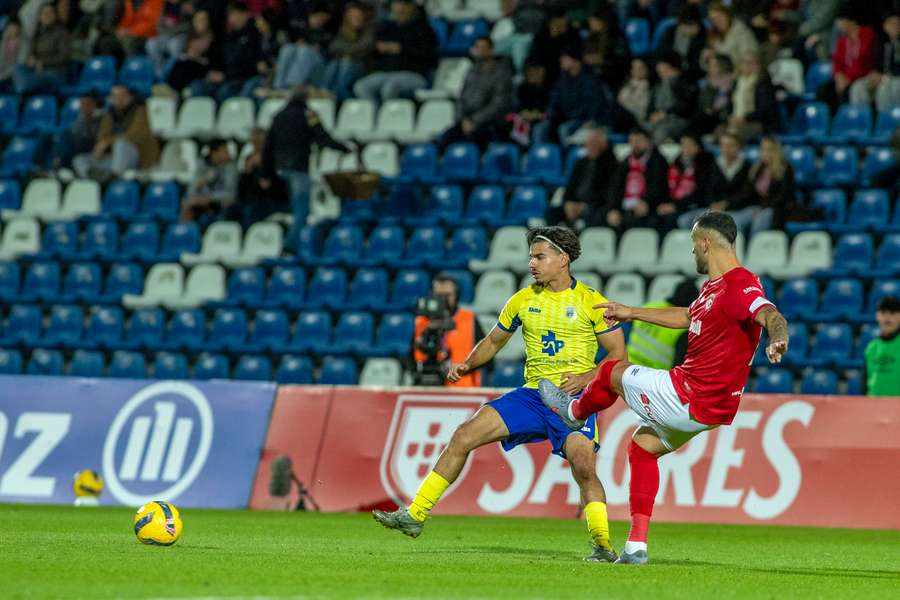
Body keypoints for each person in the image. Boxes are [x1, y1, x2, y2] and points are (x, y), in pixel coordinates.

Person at [539, 211, 789, 565]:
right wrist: (631, 312)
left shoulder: (741, 284)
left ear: (705, 243)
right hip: (708, 409)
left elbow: (770, 315)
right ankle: (636, 547)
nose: (692, 254)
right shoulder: (714, 291)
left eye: (693, 246)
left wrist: (778, 339)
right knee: (642, 449)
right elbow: (688, 317)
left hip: (688, 393)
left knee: (611, 369)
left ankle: (573, 412)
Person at [373, 226, 627, 563]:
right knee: (464, 435)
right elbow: (493, 341)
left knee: (583, 467)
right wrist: (465, 364)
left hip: (572, 402)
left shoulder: (592, 302)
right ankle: (415, 515)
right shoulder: (522, 299)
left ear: (563, 260)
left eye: (540, 256)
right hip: (532, 395)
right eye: (531, 256)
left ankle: (603, 545)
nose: (532, 263)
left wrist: (585, 377)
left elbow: (617, 356)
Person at [260, 87, 351, 253]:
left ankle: (275, 242)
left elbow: (268, 146)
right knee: (302, 210)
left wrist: (265, 173)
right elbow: (323, 138)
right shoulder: (309, 114)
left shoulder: (279, 116)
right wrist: (344, 148)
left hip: (279, 168)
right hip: (298, 167)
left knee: (290, 209)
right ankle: (290, 246)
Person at [352, 0, 437, 104]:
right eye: (397, 4)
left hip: (414, 73)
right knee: (361, 86)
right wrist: (378, 49)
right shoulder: (386, 28)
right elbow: (372, 54)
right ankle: (376, 115)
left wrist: (402, 49)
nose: (400, 8)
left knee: (390, 87)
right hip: (387, 73)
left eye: (404, 4)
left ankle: (393, 118)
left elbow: (429, 56)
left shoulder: (423, 29)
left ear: (412, 7)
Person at [438, 37, 512, 151]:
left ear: (491, 50)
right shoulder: (471, 71)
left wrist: (475, 121)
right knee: (443, 141)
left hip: (489, 123)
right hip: (465, 121)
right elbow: (461, 98)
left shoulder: (501, 73)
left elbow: (498, 104)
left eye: (483, 48)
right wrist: (462, 120)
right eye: (478, 47)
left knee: (472, 142)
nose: (480, 51)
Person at [412, 274, 485, 388]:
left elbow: (485, 356)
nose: (443, 300)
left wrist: (462, 369)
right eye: (439, 296)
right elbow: (410, 355)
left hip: (463, 389)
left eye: (447, 295)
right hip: (427, 386)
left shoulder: (469, 319)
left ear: (456, 295)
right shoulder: (421, 321)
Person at [73, 85, 159, 180]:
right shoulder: (110, 113)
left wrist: (107, 142)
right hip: (114, 158)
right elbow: (102, 136)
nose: (117, 99)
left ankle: (114, 178)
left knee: (121, 144)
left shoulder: (140, 111)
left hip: (138, 157)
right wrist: (101, 145)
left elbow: (133, 135)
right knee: (79, 159)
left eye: (121, 96)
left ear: (130, 97)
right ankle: (95, 176)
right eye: (114, 96)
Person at [190, 1, 264, 102]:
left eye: (234, 14)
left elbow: (252, 65)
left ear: (244, 14)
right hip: (225, 77)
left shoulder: (254, 36)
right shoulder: (228, 37)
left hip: (241, 79)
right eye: (229, 14)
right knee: (197, 86)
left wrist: (225, 76)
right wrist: (213, 72)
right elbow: (220, 60)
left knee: (224, 91)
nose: (231, 18)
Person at [545, 128, 616, 231]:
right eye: (588, 144)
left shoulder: (611, 165)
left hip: (595, 206)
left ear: (603, 145)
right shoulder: (580, 162)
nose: (589, 147)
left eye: (594, 143)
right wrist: (568, 203)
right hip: (575, 204)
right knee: (551, 212)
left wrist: (583, 206)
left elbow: (608, 192)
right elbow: (570, 186)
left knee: (593, 215)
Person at [533, 45, 606, 144]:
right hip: (564, 117)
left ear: (575, 61)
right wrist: (548, 114)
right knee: (540, 128)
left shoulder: (589, 79)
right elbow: (555, 99)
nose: (561, 60)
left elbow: (594, 104)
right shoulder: (562, 78)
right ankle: (541, 157)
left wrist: (590, 120)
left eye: (565, 58)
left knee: (564, 129)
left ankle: (567, 158)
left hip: (582, 120)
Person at [677, 131, 750, 229]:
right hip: (713, 208)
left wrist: (726, 204)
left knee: (735, 223)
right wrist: (713, 203)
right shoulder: (714, 166)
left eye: (730, 145)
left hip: (737, 209)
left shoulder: (747, 167)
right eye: (723, 145)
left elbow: (745, 193)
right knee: (685, 220)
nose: (725, 149)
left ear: (739, 147)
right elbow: (707, 189)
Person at [603, 127, 668, 234]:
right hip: (624, 205)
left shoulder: (658, 161)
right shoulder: (625, 163)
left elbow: (659, 186)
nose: (635, 145)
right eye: (632, 141)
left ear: (648, 142)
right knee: (604, 217)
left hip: (647, 205)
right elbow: (615, 188)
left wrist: (647, 201)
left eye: (639, 141)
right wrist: (613, 208)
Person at [731, 136, 795, 238]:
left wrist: (763, 208)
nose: (765, 152)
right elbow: (746, 193)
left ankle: (754, 250)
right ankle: (738, 249)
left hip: (775, 209)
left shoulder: (785, 169)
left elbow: (783, 196)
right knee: (737, 219)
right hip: (757, 207)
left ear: (776, 151)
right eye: (763, 149)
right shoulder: (757, 168)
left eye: (769, 149)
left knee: (761, 218)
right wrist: (728, 204)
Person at [627, 279, 699, 369]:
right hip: (653, 377)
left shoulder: (648, 306)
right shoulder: (683, 330)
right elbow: (679, 367)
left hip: (628, 367)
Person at [817, 9, 877, 111]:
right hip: (846, 78)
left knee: (847, 90)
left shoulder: (868, 35)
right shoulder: (842, 41)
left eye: (841, 22)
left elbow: (865, 61)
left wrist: (848, 78)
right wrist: (838, 75)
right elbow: (837, 62)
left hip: (863, 76)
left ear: (851, 22)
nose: (839, 26)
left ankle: (851, 119)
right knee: (824, 90)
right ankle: (831, 123)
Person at [656, 133, 713, 232]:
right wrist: (664, 204)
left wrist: (675, 206)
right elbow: (665, 187)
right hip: (673, 203)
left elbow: (700, 193)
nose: (685, 148)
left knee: (671, 220)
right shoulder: (676, 164)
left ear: (698, 147)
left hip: (692, 205)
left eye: (689, 144)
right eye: (683, 144)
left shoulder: (705, 166)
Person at [718, 50, 779, 142]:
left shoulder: (763, 83)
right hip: (736, 120)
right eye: (744, 62)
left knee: (735, 137)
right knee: (719, 131)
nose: (747, 65)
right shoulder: (737, 83)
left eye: (750, 63)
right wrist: (729, 117)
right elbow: (729, 105)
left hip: (756, 122)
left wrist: (745, 118)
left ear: (758, 65)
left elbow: (765, 109)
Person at [13, 2, 69, 95]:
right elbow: (33, 55)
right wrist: (32, 61)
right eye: (44, 13)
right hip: (38, 71)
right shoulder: (37, 33)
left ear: (55, 15)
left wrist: (43, 63)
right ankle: (25, 89)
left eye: (50, 13)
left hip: (55, 72)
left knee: (30, 80)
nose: (47, 16)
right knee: (18, 68)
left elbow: (64, 57)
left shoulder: (62, 33)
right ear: (39, 17)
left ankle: (24, 92)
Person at [322, 2, 374, 101]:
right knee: (334, 64)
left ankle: (342, 98)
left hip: (363, 66)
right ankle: (328, 93)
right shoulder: (343, 30)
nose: (356, 19)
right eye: (353, 16)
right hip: (342, 65)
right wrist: (349, 52)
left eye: (358, 16)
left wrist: (346, 53)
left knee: (346, 63)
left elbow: (364, 46)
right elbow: (333, 47)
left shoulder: (368, 30)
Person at [850, 12, 900, 111]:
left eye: (898, 23)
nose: (895, 26)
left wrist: (884, 77)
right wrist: (875, 74)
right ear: (885, 26)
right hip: (884, 78)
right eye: (891, 23)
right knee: (858, 87)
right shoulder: (883, 43)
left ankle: (885, 122)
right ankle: (862, 122)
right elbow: (877, 64)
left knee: (883, 89)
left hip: (895, 79)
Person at [180, 138, 238, 223]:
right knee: (187, 203)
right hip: (202, 202)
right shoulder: (202, 165)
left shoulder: (230, 167)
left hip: (220, 203)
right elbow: (191, 189)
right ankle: (184, 231)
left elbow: (230, 194)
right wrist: (200, 185)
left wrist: (209, 198)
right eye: (225, 151)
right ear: (214, 153)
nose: (228, 154)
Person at [644, 51, 695, 145]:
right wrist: (652, 115)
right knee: (642, 130)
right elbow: (650, 107)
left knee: (661, 131)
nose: (661, 74)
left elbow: (685, 106)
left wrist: (666, 113)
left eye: (664, 70)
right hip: (659, 121)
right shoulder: (658, 86)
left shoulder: (683, 83)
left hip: (677, 120)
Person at [53, 91, 103, 169]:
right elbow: (75, 130)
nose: (83, 107)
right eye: (82, 104)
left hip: (93, 144)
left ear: (94, 105)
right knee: (51, 137)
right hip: (80, 143)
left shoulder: (100, 117)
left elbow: (96, 135)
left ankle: (59, 166)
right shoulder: (81, 117)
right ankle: (51, 164)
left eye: (86, 104)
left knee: (67, 137)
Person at [655, 5, 705, 82]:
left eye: (696, 25)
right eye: (690, 26)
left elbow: (698, 68)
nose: (695, 29)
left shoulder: (702, 36)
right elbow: (660, 52)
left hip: (687, 76)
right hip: (669, 69)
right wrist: (662, 65)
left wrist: (678, 74)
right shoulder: (671, 31)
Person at [705, 2, 758, 70]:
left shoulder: (742, 31)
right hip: (721, 74)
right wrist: (707, 57)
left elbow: (748, 59)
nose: (718, 21)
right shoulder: (714, 35)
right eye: (714, 19)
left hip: (741, 73)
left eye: (720, 16)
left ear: (727, 15)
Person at [865, 296, 900, 396]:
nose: (888, 317)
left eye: (893, 313)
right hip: (875, 407)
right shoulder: (871, 348)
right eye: (883, 313)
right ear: (877, 316)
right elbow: (866, 382)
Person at [615, 58, 651, 132]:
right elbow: (620, 101)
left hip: (637, 119)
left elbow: (642, 109)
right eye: (635, 68)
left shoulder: (651, 87)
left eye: (641, 67)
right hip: (623, 117)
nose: (638, 70)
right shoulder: (626, 86)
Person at [0, 18, 24, 93]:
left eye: (15, 27)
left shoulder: (24, 42)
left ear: (19, 28)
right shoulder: (3, 41)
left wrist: (4, 76)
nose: (12, 30)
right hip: (3, 74)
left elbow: (20, 63)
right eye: (10, 27)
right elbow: (1, 60)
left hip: (14, 75)